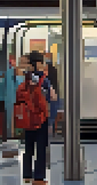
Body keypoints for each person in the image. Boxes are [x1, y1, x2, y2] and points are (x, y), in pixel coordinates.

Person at [18, 51, 57, 185]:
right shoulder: (42, 79)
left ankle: (27, 175)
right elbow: (52, 97)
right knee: (40, 148)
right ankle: (39, 177)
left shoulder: (26, 78)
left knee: (28, 147)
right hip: (41, 118)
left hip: (28, 117)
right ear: (38, 64)